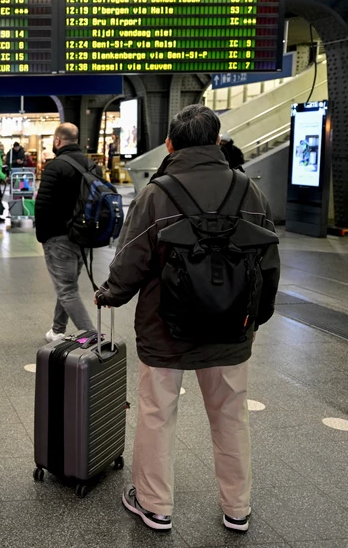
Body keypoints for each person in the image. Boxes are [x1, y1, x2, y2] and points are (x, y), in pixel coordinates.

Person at [95, 104, 280, 534]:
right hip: (232, 329)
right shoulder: (247, 190)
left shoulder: (159, 193)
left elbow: (131, 259)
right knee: (231, 417)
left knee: (157, 415)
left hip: (166, 329)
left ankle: (156, 505)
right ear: (217, 142)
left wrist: (111, 295)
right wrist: (256, 317)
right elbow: (268, 259)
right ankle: (237, 508)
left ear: (170, 144)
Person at [35, 123, 101, 341]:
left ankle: (92, 338)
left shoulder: (55, 167)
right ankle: (57, 329)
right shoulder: (93, 166)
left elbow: (42, 205)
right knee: (67, 285)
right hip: (84, 236)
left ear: (57, 141)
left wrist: (42, 236)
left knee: (67, 289)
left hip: (58, 236)